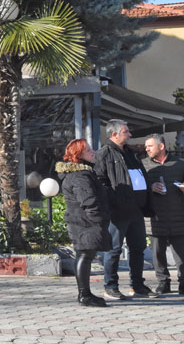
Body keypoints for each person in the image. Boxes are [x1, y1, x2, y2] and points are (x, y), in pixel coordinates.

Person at [94, 119, 158, 299]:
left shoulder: (130, 153)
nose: (130, 135)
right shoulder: (104, 154)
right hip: (118, 210)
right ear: (114, 134)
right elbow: (100, 181)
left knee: (138, 248)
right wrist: (115, 199)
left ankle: (137, 286)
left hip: (137, 209)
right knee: (114, 249)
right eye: (126, 132)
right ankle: (110, 286)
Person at [56, 139, 111, 307]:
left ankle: (85, 293)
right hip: (84, 223)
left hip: (83, 221)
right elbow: (88, 200)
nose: (92, 151)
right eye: (88, 150)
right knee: (85, 255)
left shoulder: (82, 173)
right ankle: (84, 295)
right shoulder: (80, 175)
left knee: (84, 255)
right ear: (78, 155)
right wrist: (98, 219)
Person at [143, 134, 184, 295]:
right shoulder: (144, 165)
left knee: (181, 253)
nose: (147, 149)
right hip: (154, 217)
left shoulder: (180, 164)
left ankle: (183, 282)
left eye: (150, 146)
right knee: (157, 253)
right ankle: (163, 282)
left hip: (178, 215)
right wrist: (150, 187)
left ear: (161, 146)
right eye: (146, 146)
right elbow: (137, 188)